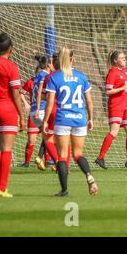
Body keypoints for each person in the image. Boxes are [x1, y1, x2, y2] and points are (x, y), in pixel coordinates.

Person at [43, 47, 97, 196]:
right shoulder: (81, 76)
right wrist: (91, 118)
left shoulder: (55, 77)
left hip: (63, 119)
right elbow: (89, 101)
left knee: (62, 155)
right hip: (80, 119)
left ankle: (64, 190)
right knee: (78, 153)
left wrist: (46, 121)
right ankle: (90, 177)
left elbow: (49, 103)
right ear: (73, 59)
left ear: (59, 60)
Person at [95, 50, 127, 171]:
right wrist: (123, 87)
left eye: (125, 58)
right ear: (115, 60)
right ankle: (100, 157)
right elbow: (108, 91)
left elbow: (124, 84)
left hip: (125, 106)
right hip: (116, 106)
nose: (125, 60)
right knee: (114, 132)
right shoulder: (112, 73)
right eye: (122, 58)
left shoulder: (124, 71)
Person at [0, 32, 24, 198]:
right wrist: (21, 115)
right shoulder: (11, 67)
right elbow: (15, 93)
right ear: (11, 49)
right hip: (6, 108)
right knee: (6, 149)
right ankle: (2, 188)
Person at [30, 55, 59, 169]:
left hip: (34, 111)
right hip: (41, 110)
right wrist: (38, 109)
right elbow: (39, 93)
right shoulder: (46, 76)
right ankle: (57, 163)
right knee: (54, 135)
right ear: (48, 65)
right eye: (51, 63)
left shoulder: (37, 75)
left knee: (47, 135)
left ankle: (41, 157)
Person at [19, 65, 50, 169]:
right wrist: (26, 103)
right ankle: (26, 162)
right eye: (38, 72)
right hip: (34, 113)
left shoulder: (47, 81)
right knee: (31, 140)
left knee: (47, 136)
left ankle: (47, 160)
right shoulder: (30, 81)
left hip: (44, 112)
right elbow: (21, 93)